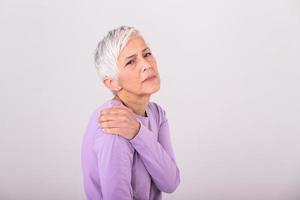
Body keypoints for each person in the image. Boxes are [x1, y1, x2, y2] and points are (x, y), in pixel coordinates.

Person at [81, 25, 180, 200]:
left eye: (147, 54)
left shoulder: (157, 114)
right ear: (112, 83)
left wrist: (137, 132)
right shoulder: (112, 125)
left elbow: (170, 182)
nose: (146, 65)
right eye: (131, 61)